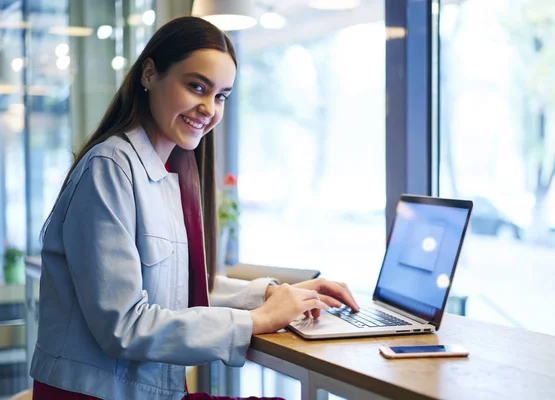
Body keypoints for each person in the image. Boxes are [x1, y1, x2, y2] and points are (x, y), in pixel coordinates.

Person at [29, 15, 359, 400]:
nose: (209, 108)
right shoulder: (111, 167)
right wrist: (257, 320)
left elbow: (177, 299)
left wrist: (274, 296)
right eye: (196, 86)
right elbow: (123, 327)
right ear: (149, 75)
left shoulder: (171, 170)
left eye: (220, 96)